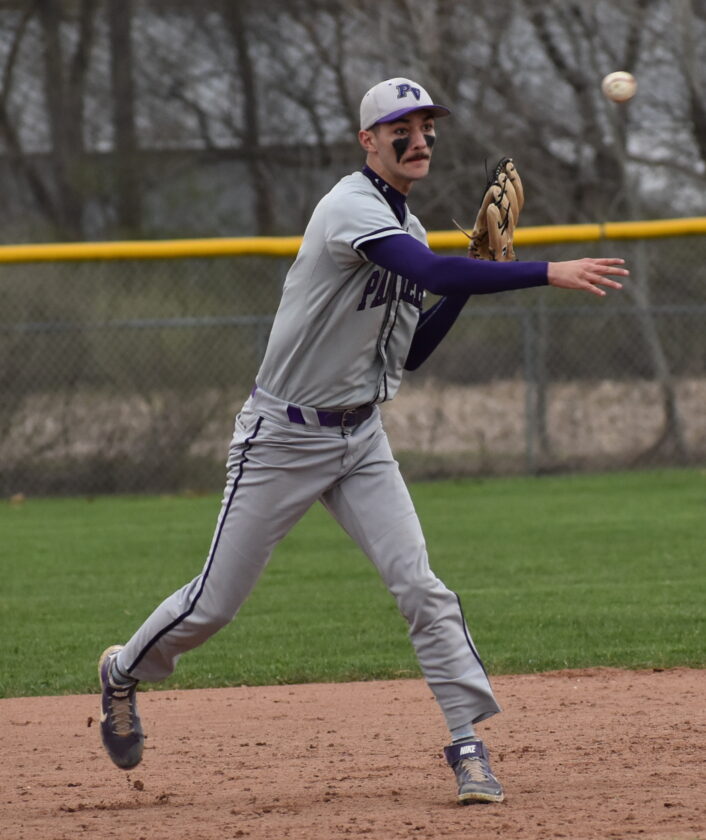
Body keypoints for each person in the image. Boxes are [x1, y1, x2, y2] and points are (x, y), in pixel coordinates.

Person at [98, 77, 627, 805]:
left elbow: (412, 352)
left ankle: (468, 746)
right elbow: (430, 270)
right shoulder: (349, 207)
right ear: (368, 141)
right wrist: (540, 271)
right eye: (401, 128)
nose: (419, 139)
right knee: (213, 605)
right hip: (282, 439)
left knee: (422, 588)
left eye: (427, 127)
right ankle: (123, 671)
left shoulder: (410, 232)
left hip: (361, 439)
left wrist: (475, 278)